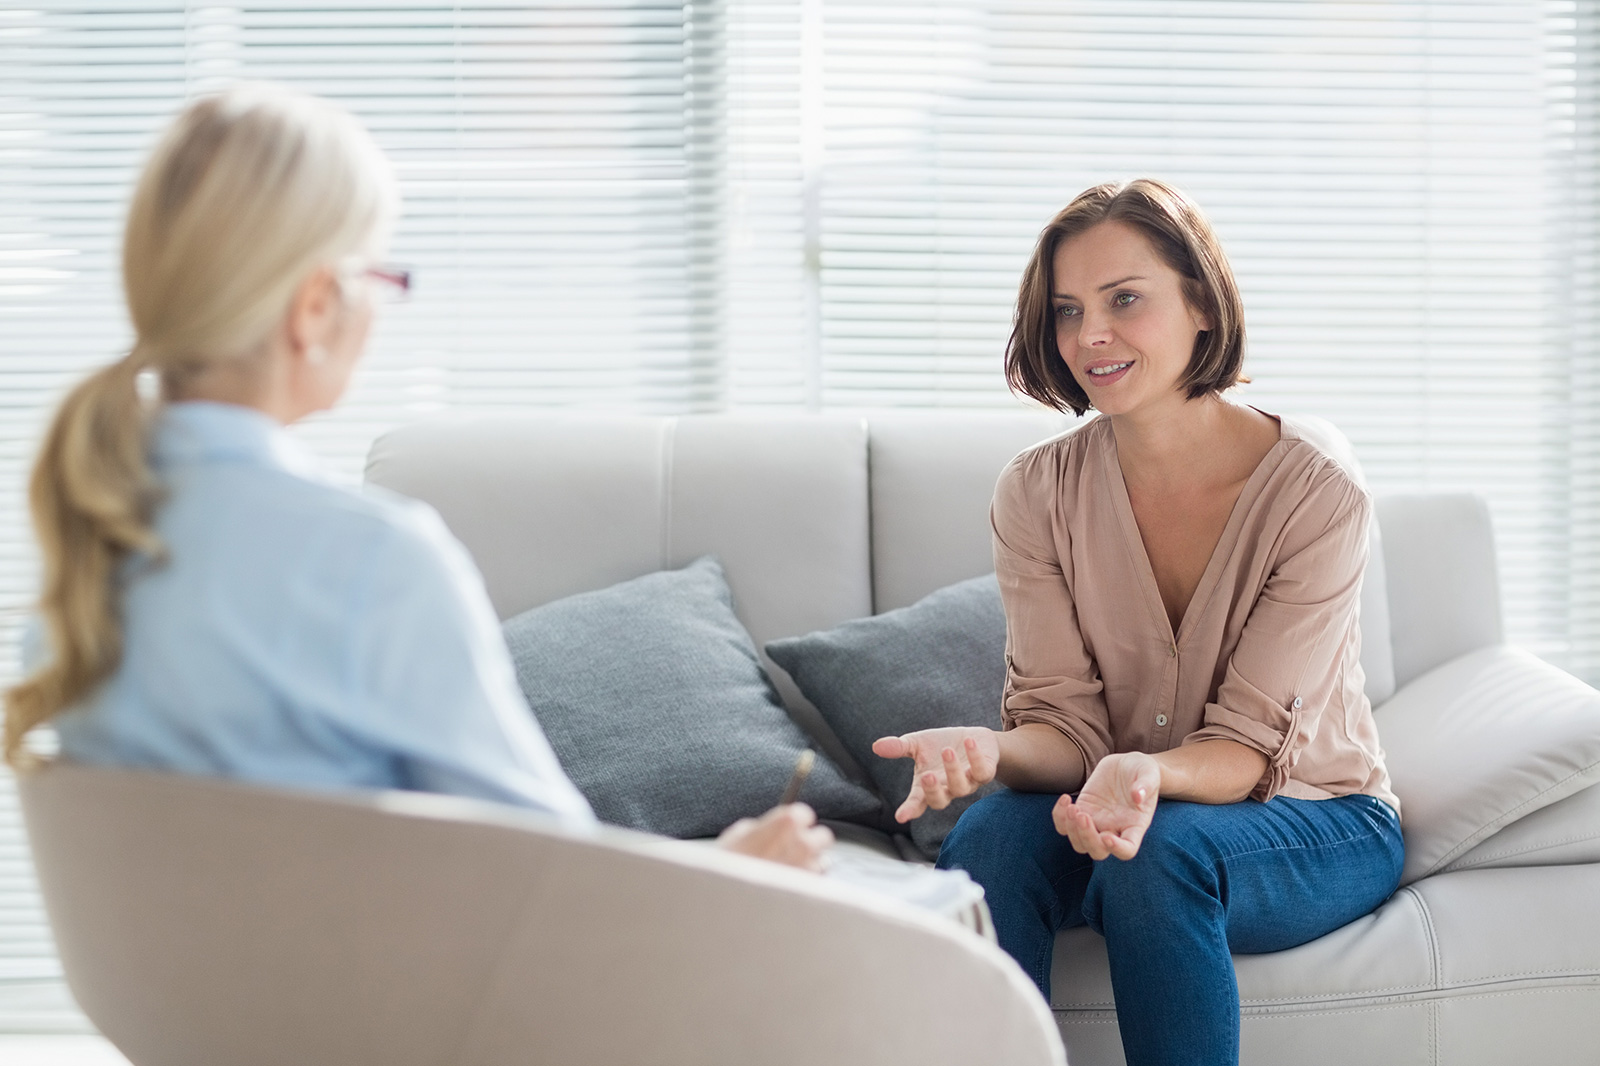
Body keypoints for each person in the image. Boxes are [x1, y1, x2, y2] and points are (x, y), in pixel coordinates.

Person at [2, 84, 831, 873]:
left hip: (188, 1020)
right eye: (377, 277)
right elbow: (551, 886)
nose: (380, 309)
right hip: (389, 1019)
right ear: (315, 307)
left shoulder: (87, 562)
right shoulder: (370, 562)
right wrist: (731, 873)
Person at [872, 179, 1405, 1066]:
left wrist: (1141, 776)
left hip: (1314, 815)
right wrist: (991, 751)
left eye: (1125, 300)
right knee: (990, 836)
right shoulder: (1035, 492)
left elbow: (1243, 751)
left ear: (1201, 301)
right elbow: (1064, 729)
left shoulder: (1317, 497)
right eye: (1067, 310)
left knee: (1159, 852)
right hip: (1117, 808)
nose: (1090, 337)